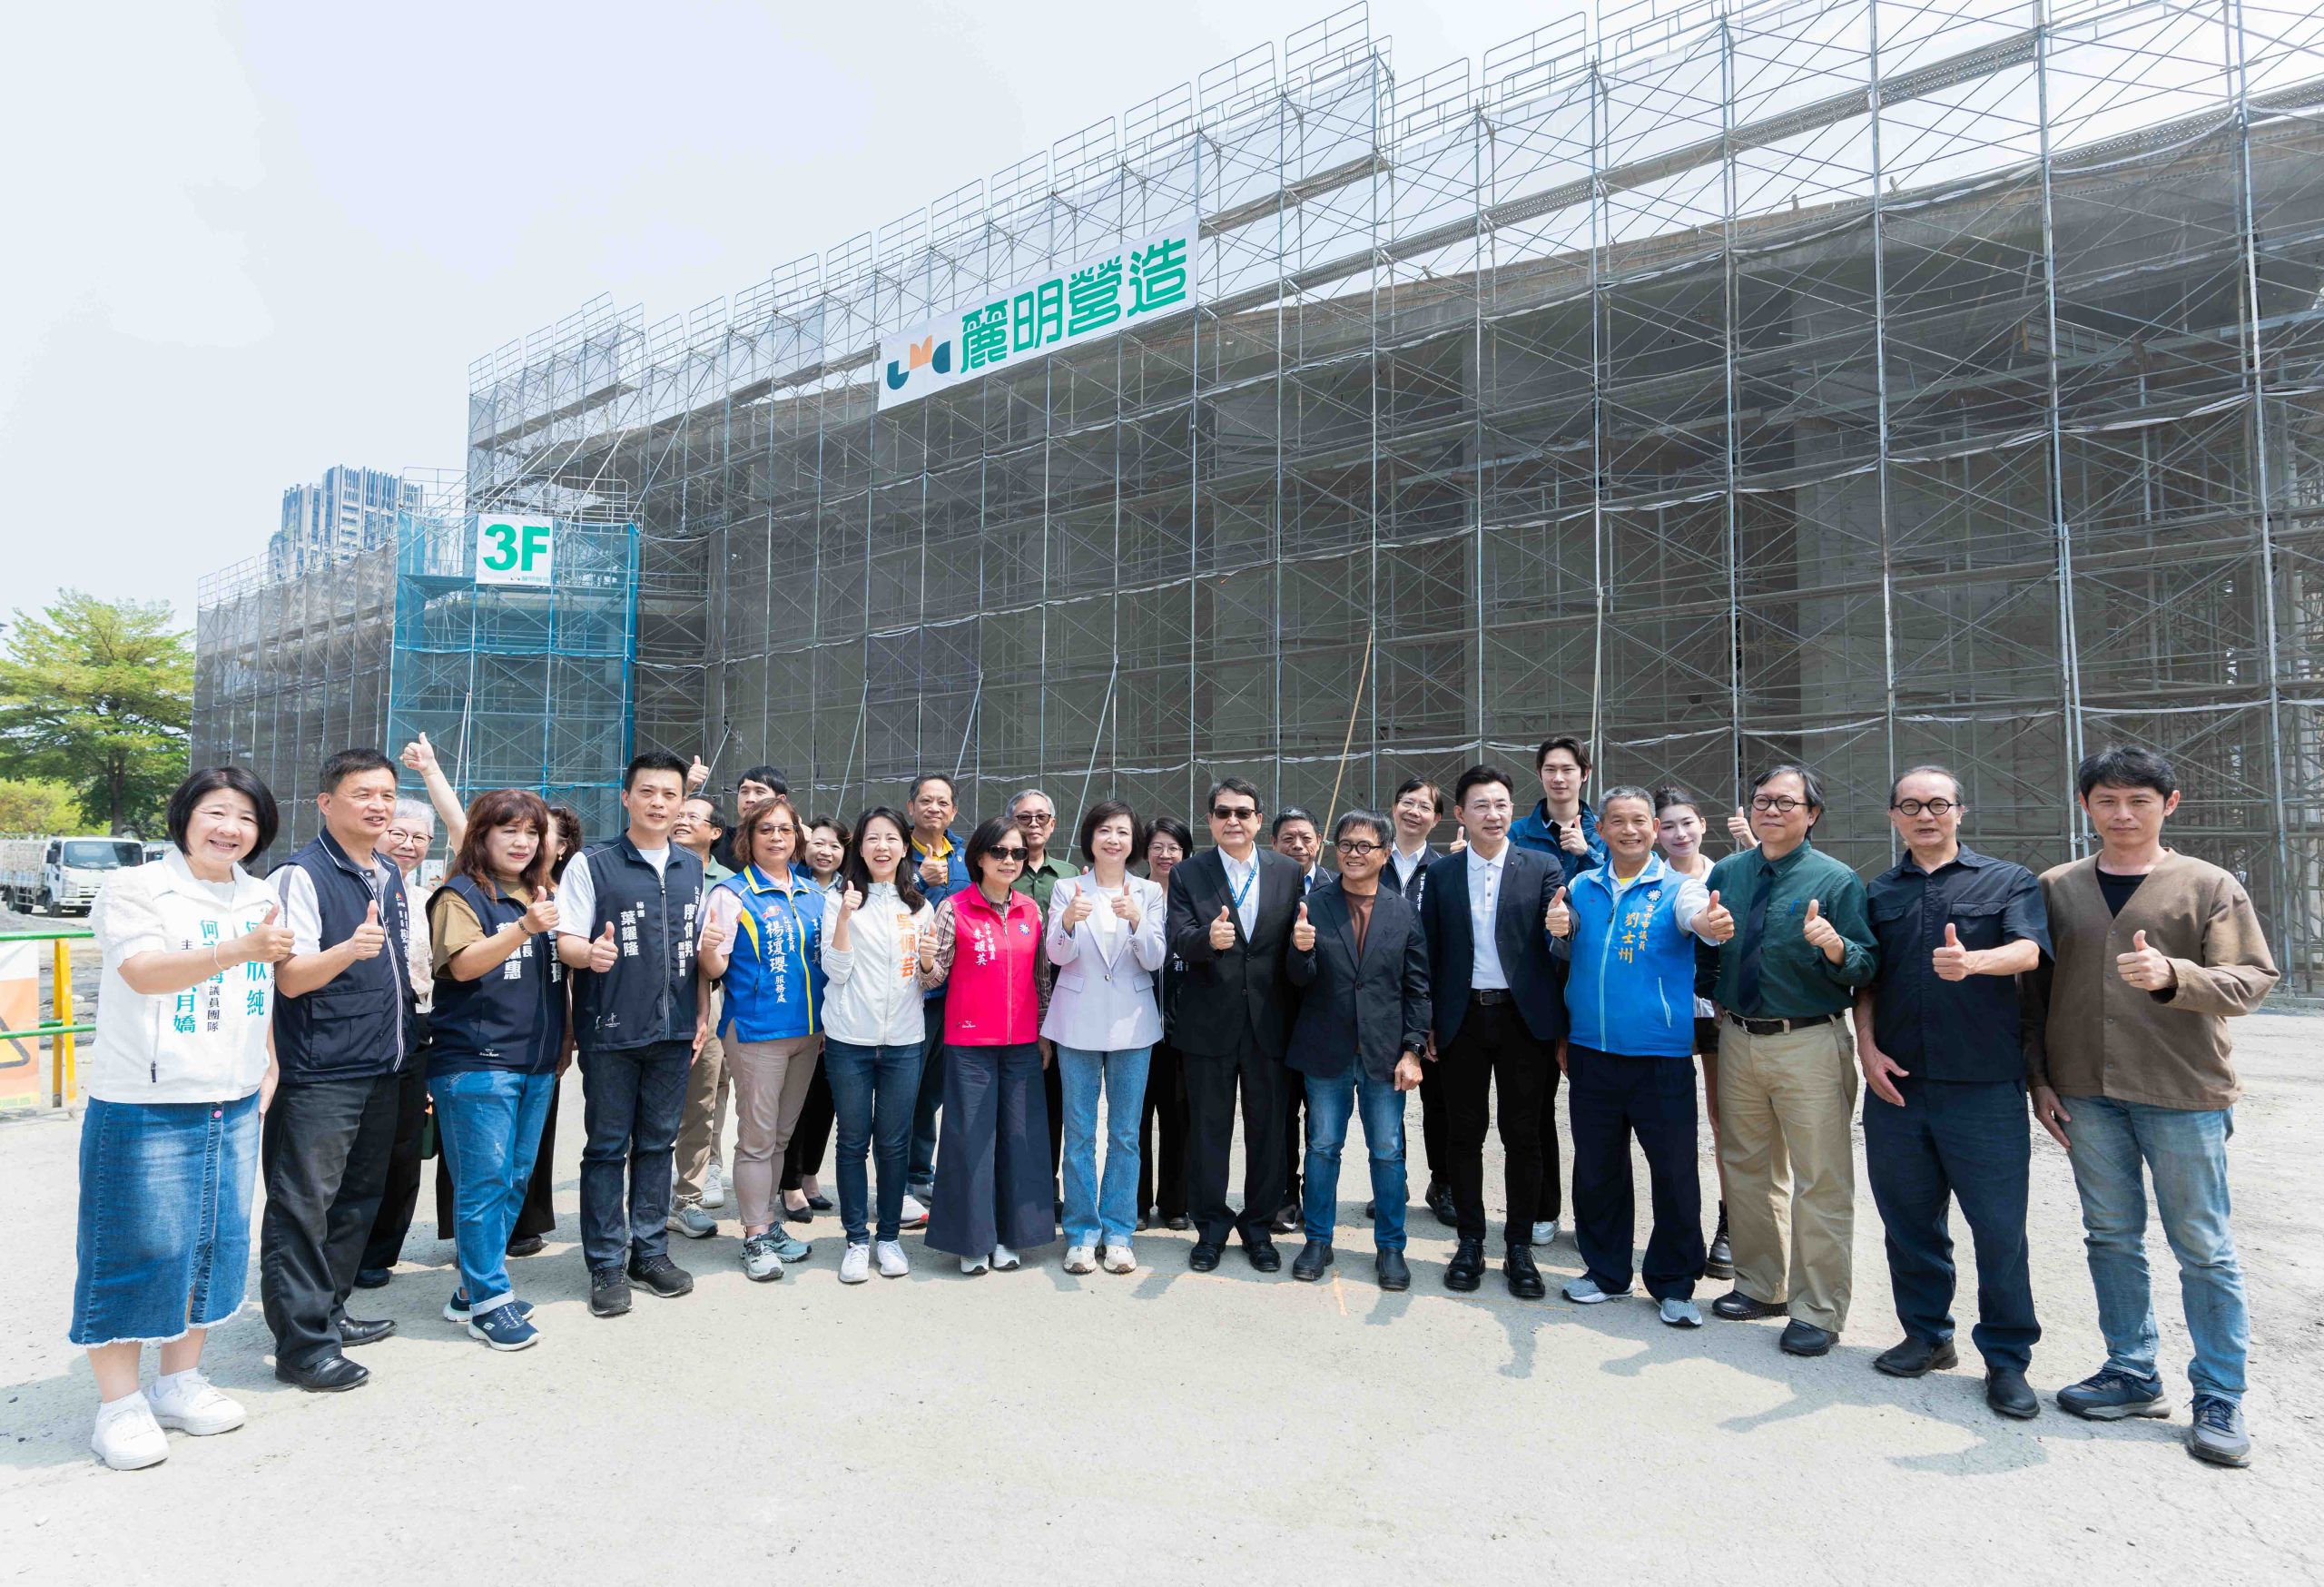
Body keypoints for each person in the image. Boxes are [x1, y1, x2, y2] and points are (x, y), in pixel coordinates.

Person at [2027, 746, 2279, 1465]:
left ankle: (2220, 1394)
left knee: (2203, 1247)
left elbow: (2253, 978)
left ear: (2169, 804)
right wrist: (2039, 1080)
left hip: (2182, 1092)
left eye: (2139, 800)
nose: (2123, 814)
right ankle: (2131, 1372)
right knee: (2110, 1236)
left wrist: (2175, 974)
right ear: (2085, 806)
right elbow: (2033, 995)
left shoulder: (2207, 884)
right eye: (2107, 800)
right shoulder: (2058, 886)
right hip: (2085, 1091)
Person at [76, 768, 293, 1468]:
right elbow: (143, 971)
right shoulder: (136, 887)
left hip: (232, 1100)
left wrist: (268, 1060)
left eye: (247, 818)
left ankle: (179, 1382)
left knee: (212, 1246)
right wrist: (236, 949)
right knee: (134, 1250)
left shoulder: (258, 895)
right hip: (146, 1103)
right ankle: (118, 1404)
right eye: (216, 813)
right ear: (185, 817)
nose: (231, 829)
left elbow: (258, 988)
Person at [1852, 766, 2049, 1419]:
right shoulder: (1880, 892)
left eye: (1938, 804)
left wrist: (1974, 963)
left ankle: (2007, 1359)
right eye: (1910, 806)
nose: (1925, 815)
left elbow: (2028, 950)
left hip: (1983, 1087)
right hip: (1899, 1086)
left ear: (1960, 812)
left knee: (1999, 1229)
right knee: (1909, 1222)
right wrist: (1866, 1048)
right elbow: (1868, 982)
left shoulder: (2007, 880)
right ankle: (1928, 1335)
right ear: (1893, 817)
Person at [1701, 763, 1876, 1356]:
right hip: (1738, 1036)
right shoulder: (1728, 873)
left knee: (1820, 1177)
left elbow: (1866, 964)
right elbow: (1709, 953)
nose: (1770, 810)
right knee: (1747, 1165)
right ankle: (1760, 1284)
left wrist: (1835, 947)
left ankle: (1818, 1309)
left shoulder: (1837, 879)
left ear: (1812, 814)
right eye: (1761, 801)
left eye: (1785, 802)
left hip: (1809, 1040)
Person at [1548, 786, 1734, 1327]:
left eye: (1638, 821)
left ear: (1654, 829)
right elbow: (1564, 943)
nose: (1628, 830)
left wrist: (1711, 926)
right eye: (1617, 821)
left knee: (1673, 1171)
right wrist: (1557, 928)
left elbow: (1698, 919)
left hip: (1660, 1055)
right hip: (1592, 1053)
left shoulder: (1680, 888)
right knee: (1598, 1168)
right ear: (1600, 830)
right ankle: (1606, 1272)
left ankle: (1674, 1283)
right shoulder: (1581, 886)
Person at [263, 748, 414, 1393]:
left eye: (387, 794)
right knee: (302, 1208)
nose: (379, 806)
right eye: (363, 794)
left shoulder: (388, 871)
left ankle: (331, 1311)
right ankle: (302, 1348)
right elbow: (291, 979)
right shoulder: (300, 875)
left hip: (382, 1063)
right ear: (326, 803)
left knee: (356, 1201)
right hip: (320, 1070)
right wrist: (348, 950)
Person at [554, 752, 710, 1318]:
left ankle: (650, 1252)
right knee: (606, 1147)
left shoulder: (691, 867)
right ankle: (605, 1262)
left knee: (657, 1144)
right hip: (611, 1029)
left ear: (682, 803)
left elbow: (696, 950)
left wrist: (701, 1011)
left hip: (674, 1030)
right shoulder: (592, 864)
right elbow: (566, 940)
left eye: (670, 794)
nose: (658, 803)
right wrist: (589, 955)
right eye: (647, 792)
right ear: (626, 797)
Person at [1416, 766, 1570, 1297]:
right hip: (1461, 1018)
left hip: (1523, 1020)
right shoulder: (1442, 874)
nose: (1493, 814)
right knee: (1464, 1133)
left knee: (1524, 1134)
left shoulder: (1542, 866)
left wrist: (1563, 928)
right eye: (1481, 805)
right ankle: (1470, 1241)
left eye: (1502, 804)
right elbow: (1428, 951)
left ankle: (1519, 1246)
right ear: (1460, 814)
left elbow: (1560, 936)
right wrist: (1428, 1021)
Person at [425, 789, 564, 1352]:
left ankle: (471, 1290)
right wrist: (524, 928)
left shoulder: (539, 892)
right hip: (477, 1062)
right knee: (482, 1185)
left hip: (535, 1062)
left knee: (513, 1179)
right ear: (480, 834)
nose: (522, 842)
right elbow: (462, 966)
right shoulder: (459, 895)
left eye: (532, 833)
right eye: (509, 830)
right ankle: (488, 1300)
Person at [1284, 811, 1431, 1290]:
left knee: (1387, 1151)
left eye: (1365, 846)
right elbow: (1295, 980)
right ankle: (1318, 1240)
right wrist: (1300, 949)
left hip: (1384, 1053)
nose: (1353, 853)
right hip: (1326, 1048)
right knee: (1323, 1147)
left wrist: (1412, 1050)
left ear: (1385, 854)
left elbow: (1417, 987)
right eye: (1345, 845)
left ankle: (1391, 1247)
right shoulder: (1313, 905)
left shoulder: (1402, 911)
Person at [1165, 777, 1304, 1274]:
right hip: (1209, 1024)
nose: (1233, 821)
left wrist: (1305, 946)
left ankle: (1259, 1227)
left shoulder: (1287, 871)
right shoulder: (1189, 873)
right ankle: (1211, 1228)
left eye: (1243, 812)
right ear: (1210, 820)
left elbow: (1293, 945)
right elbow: (1178, 938)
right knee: (1208, 1131)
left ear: (1259, 820)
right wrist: (1208, 938)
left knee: (1269, 1132)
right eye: (1223, 812)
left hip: (1269, 1023)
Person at [919, 816, 1057, 1273]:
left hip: (1021, 1043)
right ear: (979, 857)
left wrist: (1043, 1033)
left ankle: (1011, 1236)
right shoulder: (953, 908)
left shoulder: (1031, 911)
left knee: (1020, 1138)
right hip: (969, 1042)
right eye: (999, 851)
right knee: (971, 1140)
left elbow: (1041, 979)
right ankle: (972, 1240)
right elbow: (933, 979)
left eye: (1017, 853)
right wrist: (925, 962)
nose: (1009, 860)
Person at [696, 795, 824, 1281]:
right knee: (756, 1138)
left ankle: (768, 1225)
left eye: (785, 830)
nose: (776, 837)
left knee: (780, 1137)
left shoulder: (812, 893)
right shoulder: (732, 894)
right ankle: (753, 1235)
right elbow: (715, 968)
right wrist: (709, 951)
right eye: (765, 829)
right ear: (747, 839)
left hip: (807, 1034)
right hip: (755, 1032)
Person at [1042, 800, 1168, 1274]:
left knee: (1126, 1133)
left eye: (1122, 832)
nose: (1113, 839)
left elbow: (1154, 959)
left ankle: (1118, 1232)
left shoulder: (1148, 891)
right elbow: (1056, 955)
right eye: (1104, 831)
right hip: (1077, 1020)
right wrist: (1068, 921)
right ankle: (1080, 1233)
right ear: (1090, 838)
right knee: (1078, 1132)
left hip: (1133, 1023)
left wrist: (1137, 919)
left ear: (1133, 842)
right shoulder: (1067, 888)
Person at [820, 808, 937, 1281]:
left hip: (905, 1041)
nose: (882, 847)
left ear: (905, 847)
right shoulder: (838, 899)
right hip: (850, 1039)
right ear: (860, 848)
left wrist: (928, 963)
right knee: (852, 1141)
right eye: (872, 838)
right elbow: (836, 971)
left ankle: (888, 1238)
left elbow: (929, 980)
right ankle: (855, 1239)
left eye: (891, 838)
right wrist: (845, 917)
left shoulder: (919, 907)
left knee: (893, 1143)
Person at [1508, 734, 1602, 1245]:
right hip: (1538, 979)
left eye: (1568, 769)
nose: (1559, 777)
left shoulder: (1605, 830)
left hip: (1593, 977)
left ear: (1584, 773)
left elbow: (1626, 880)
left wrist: (1589, 853)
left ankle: (1597, 1222)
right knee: (1535, 1105)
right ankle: (1544, 1208)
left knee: (1594, 1110)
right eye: (1550, 769)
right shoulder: (1519, 833)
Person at [351, 798, 438, 1289]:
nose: (408, 845)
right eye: (399, 834)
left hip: (418, 1024)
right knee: (365, 1144)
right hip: (367, 1026)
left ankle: (381, 1252)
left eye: (419, 838)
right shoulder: (358, 887)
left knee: (406, 1143)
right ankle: (347, 1248)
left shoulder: (427, 898)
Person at [1657, 785, 1732, 1278]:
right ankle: (1677, 1228)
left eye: (1687, 822)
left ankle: (1731, 1224)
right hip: (1667, 1013)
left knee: (1726, 1120)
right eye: (1668, 826)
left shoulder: (1728, 875)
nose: (1679, 833)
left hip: (1720, 1013)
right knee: (1670, 1124)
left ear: (1703, 824)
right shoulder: (1652, 880)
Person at [1384, 776, 1455, 1228]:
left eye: (1424, 806)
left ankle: (1442, 1183)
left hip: (1430, 998)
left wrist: (1434, 1015)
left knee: (1440, 1100)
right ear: (1394, 808)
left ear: (1437, 818)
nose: (1414, 812)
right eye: (1407, 802)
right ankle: (1393, 1183)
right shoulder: (1373, 860)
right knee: (1385, 1099)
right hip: (1379, 998)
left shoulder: (1446, 869)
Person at [902, 772, 969, 1227]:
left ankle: (920, 1173)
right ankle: (900, 1180)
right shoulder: (893, 849)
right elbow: (883, 904)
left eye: (943, 802)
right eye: (926, 801)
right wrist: (920, 880)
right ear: (911, 807)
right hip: (913, 993)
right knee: (905, 1090)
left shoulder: (965, 853)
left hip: (957, 994)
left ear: (954, 811)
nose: (934, 808)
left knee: (933, 1091)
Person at [668, 793, 736, 1234]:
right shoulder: (652, 868)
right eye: (680, 814)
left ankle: (688, 1196)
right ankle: (645, 1199)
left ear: (714, 832)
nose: (682, 820)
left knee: (702, 1098)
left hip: (710, 994)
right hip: (653, 997)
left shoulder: (729, 884)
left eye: (693, 816)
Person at [780, 815, 848, 1222]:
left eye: (835, 845)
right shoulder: (791, 885)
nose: (826, 851)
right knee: (796, 1102)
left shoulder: (851, 890)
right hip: (798, 1007)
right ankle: (788, 1183)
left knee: (825, 1100)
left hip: (836, 1009)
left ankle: (809, 1175)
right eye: (818, 843)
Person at [1009, 787, 1073, 1198]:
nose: (1033, 824)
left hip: (1062, 995)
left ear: (1052, 824)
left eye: (1041, 817)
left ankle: (1046, 1188)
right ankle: (1013, 1187)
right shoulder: (999, 868)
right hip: (1009, 994)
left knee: (1054, 1100)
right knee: (1013, 1100)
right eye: (1023, 817)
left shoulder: (1070, 874)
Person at [1267, 805, 1328, 1231]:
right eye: (1288, 838)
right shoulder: (1265, 887)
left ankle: (1317, 1196)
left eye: (1306, 838)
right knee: (1282, 1114)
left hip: (1324, 1020)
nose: (1298, 846)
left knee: (1321, 1119)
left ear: (1319, 842)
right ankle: (1284, 1194)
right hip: (1276, 1019)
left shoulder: (1336, 887)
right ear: (1273, 844)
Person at [1136, 816, 1195, 1232]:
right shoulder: (1132, 893)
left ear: (1185, 853)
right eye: (1157, 846)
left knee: (1179, 1117)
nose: (1165, 855)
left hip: (1182, 1027)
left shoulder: (1196, 900)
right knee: (1134, 1120)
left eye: (1173, 847)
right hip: (1135, 1026)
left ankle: (1176, 1203)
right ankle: (1136, 1203)